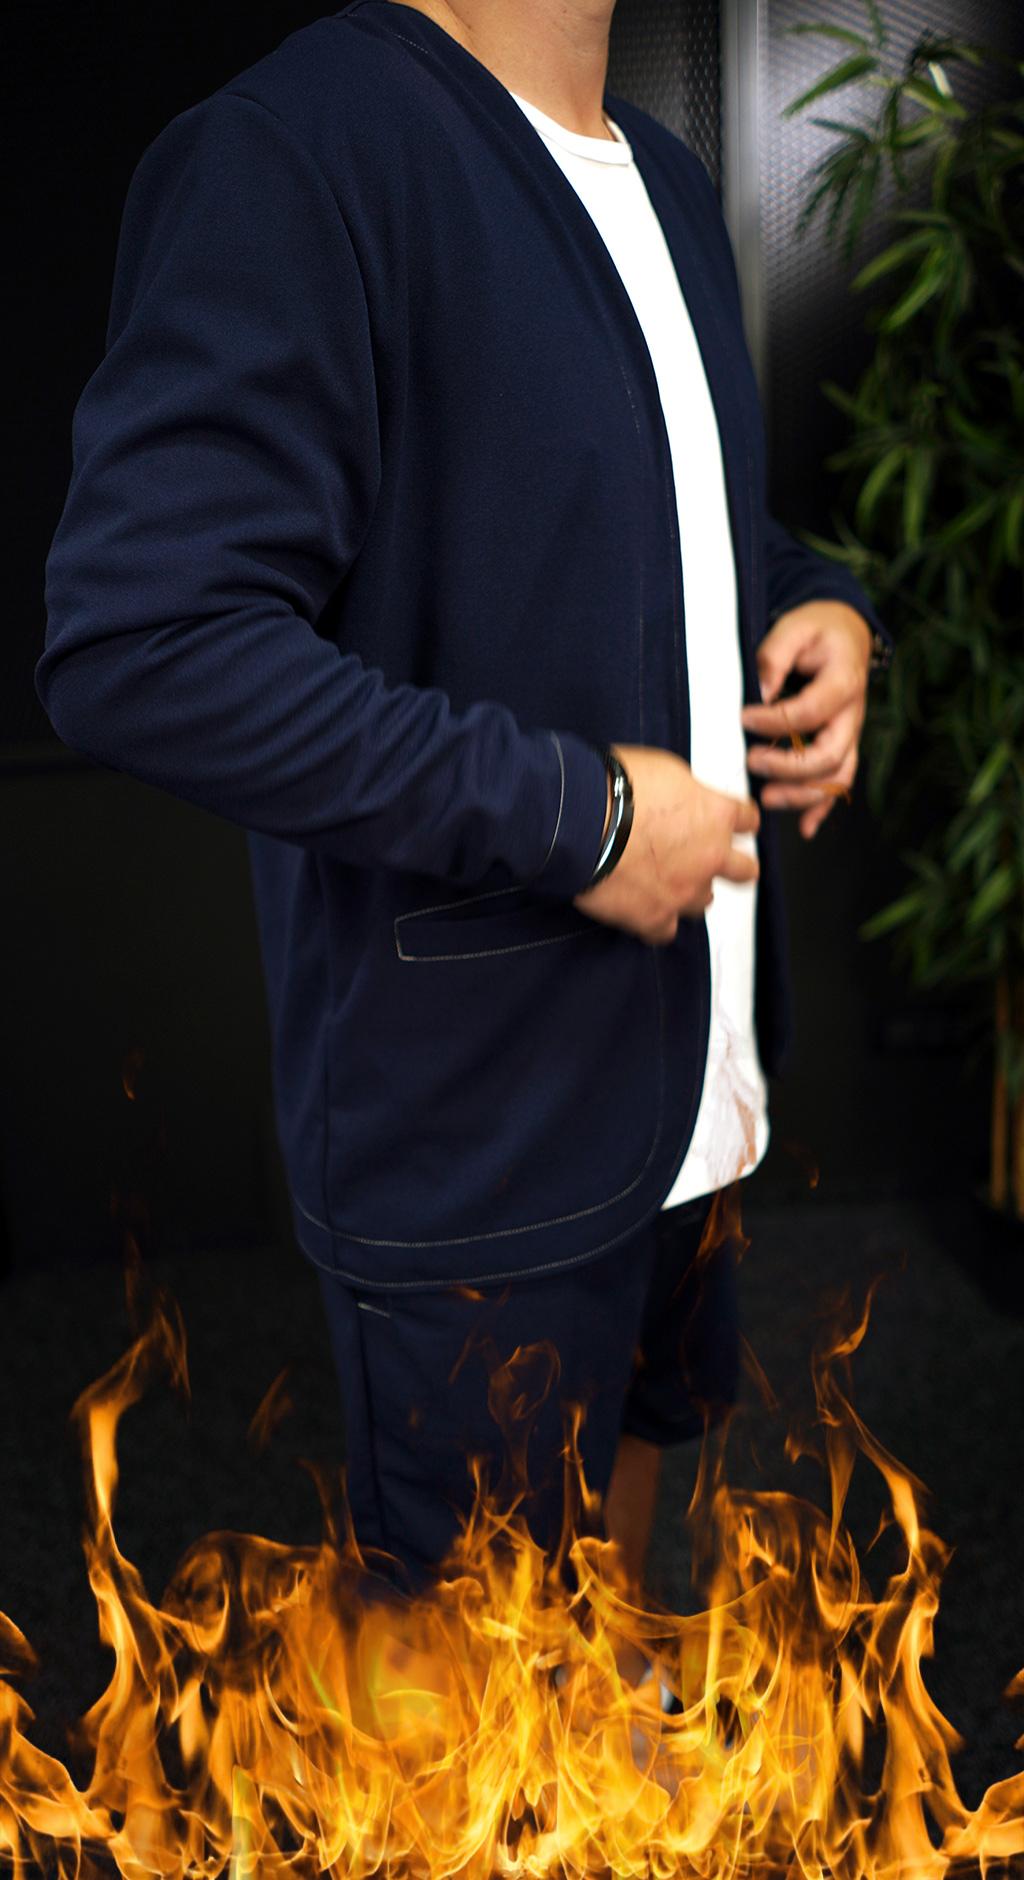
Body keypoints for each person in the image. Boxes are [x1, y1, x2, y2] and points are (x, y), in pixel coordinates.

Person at [37, 0, 891, 1638]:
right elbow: (143, 641)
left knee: (615, 1599)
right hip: (482, 1111)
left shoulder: (669, 183)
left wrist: (825, 604)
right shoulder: (297, 154)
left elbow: (681, 521)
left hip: (694, 1072)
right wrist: (583, 818)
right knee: (471, 1702)